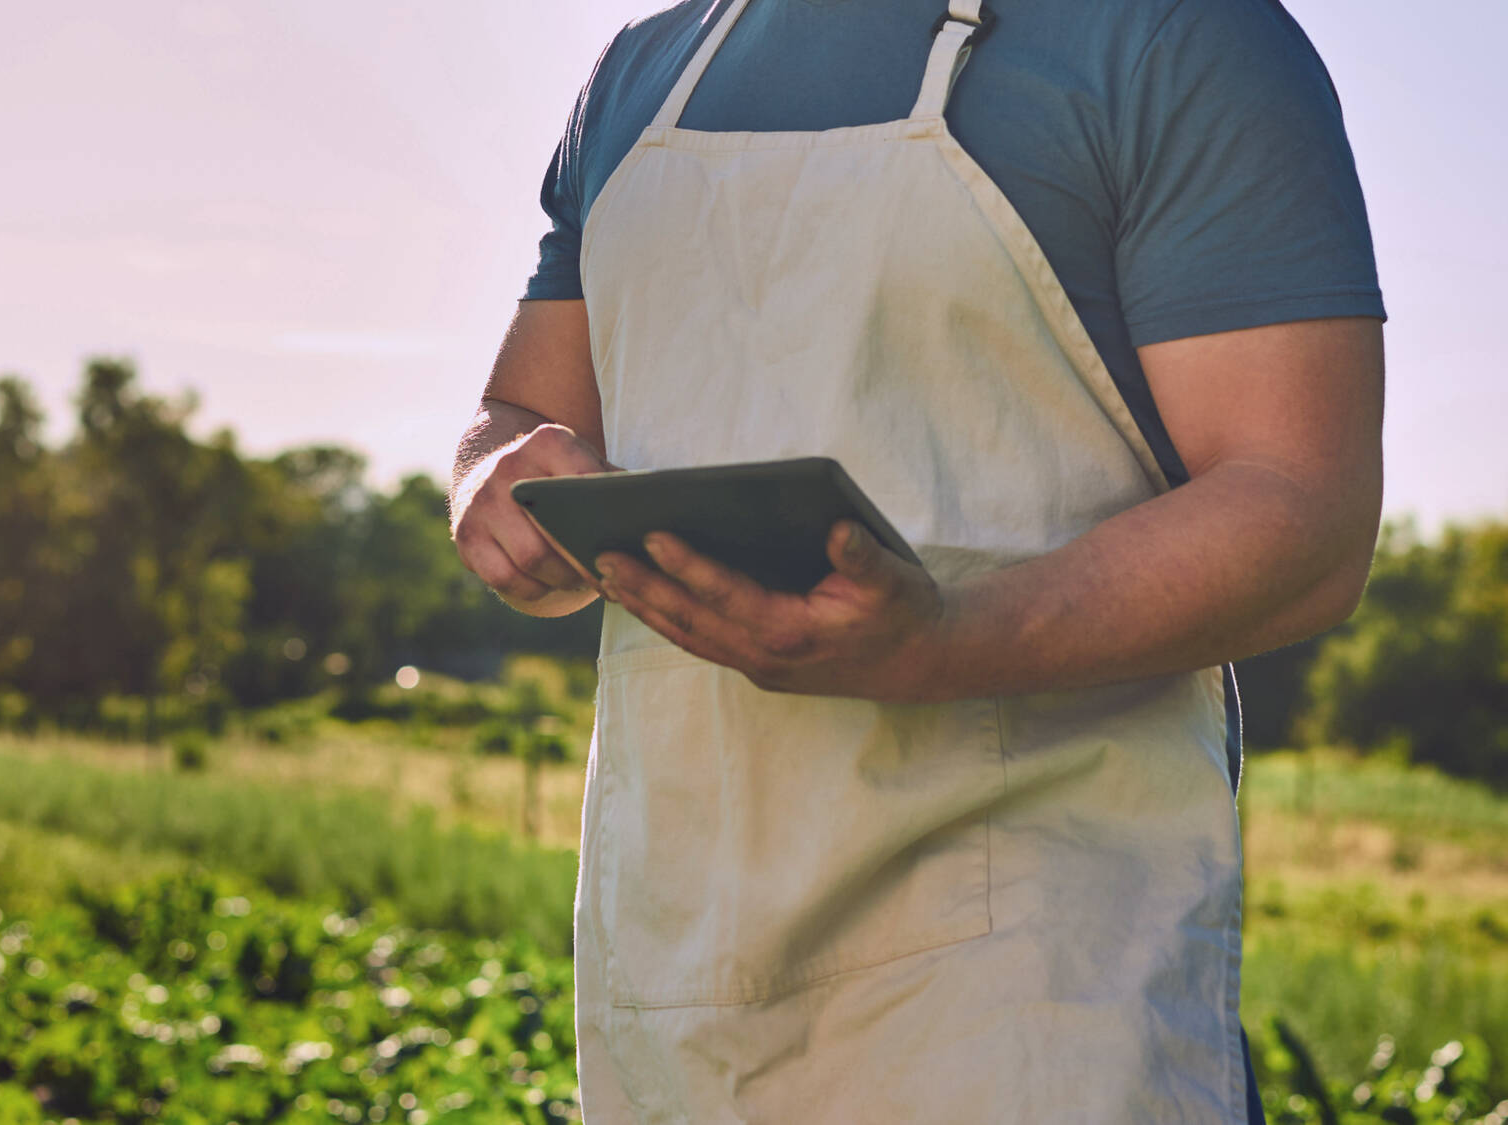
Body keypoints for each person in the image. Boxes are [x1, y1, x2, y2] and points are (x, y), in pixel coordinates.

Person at [449, 0, 1383, 1119]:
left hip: (1034, 986)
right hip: (675, 966)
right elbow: (520, 410)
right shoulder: (642, 71)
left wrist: (942, 642)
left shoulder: (1174, 38)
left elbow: (1298, 508)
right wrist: (495, 476)